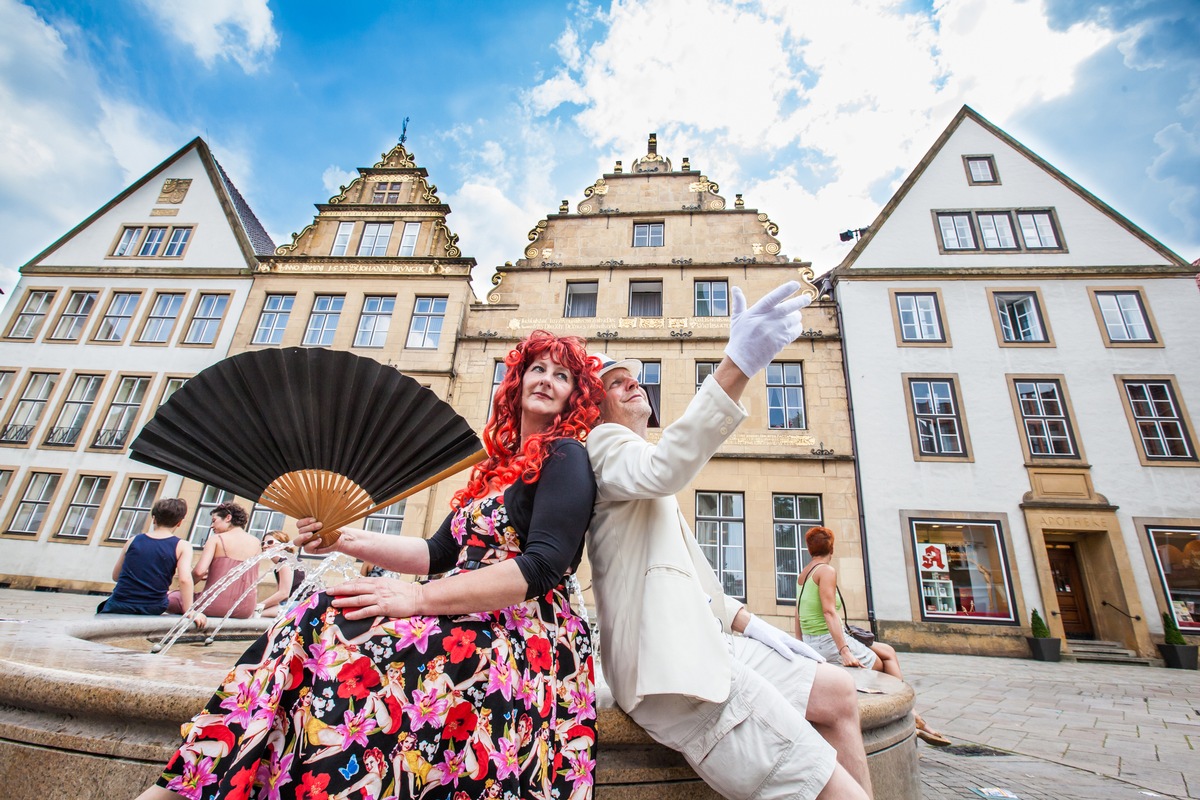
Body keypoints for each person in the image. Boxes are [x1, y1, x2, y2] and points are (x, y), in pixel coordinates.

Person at [138, 330, 603, 800]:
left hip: (527, 633)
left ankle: (210, 782)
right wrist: (341, 538)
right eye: (537, 369)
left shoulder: (565, 457)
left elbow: (543, 565)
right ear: (517, 382)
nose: (546, 380)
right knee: (319, 611)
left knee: (345, 630)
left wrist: (417, 596)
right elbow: (435, 552)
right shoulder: (495, 471)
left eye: (561, 375)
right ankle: (201, 778)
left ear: (575, 395)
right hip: (470, 614)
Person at [587, 281, 873, 800]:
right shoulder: (605, 445)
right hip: (673, 669)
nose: (634, 385)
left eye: (634, 378)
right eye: (615, 383)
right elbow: (665, 466)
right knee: (834, 791)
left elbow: (688, 578)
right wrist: (737, 363)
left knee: (837, 692)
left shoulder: (636, 467)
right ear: (592, 409)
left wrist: (754, 624)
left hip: (705, 638)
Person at [797, 525, 951, 747]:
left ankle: (913, 715)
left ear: (809, 548)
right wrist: (845, 651)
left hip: (816, 639)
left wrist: (802, 645)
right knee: (880, 665)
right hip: (828, 640)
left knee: (888, 651)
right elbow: (829, 611)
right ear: (832, 547)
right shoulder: (826, 571)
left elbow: (798, 613)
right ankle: (909, 717)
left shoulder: (804, 574)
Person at [101, 498, 207, 630]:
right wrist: (189, 611)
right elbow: (185, 579)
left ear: (154, 518)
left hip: (119, 603)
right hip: (152, 606)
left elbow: (116, 576)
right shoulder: (182, 546)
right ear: (179, 522)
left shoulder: (133, 540)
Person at [167, 501, 260, 620]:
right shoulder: (256, 542)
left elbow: (199, 572)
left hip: (214, 605)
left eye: (214, 521)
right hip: (246, 609)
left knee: (169, 597)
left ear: (228, 517)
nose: (211, 526)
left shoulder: (216, 539)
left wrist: (183, 588)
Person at [255, 529, 306, 618]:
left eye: (270, 542)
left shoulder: (285, 563)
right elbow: (282, 596)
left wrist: (258, 606)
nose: (265, 546)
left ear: (282, 546)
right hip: (296, 602)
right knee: (258, 613)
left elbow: (283, 593)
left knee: (256, 614)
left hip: (303, 604)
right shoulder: (283, 563)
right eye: (263, 543)